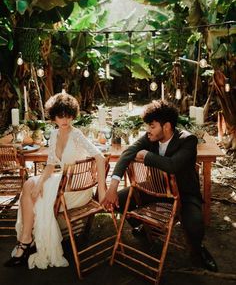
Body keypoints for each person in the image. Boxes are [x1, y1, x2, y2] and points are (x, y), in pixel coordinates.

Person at [102, 100, 218, 272]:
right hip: (156, 189)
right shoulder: (150, 137)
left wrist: (147, 155)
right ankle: (142, 226)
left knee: (195, 225)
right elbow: (127, 154)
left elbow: (172, 165)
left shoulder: (188, 140)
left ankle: (198, 249)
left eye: (152, 126)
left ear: (167, 126)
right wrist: (112, 188)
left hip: (184, 193)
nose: (148, 130)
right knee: (119, 200)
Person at [4, 93, 106, 269]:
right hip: (62, 182)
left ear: (73, 115)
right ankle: (26, 239)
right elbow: (51, 164)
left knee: (32, 193)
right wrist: (41, 184)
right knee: (30, 185)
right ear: (54, 117)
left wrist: (102, 190)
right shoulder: (53, 134)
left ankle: (24, 244)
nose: (65, 120)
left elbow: (100, 157)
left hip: (77, 189)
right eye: (60, 116)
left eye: (68, 115)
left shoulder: (77, 134)